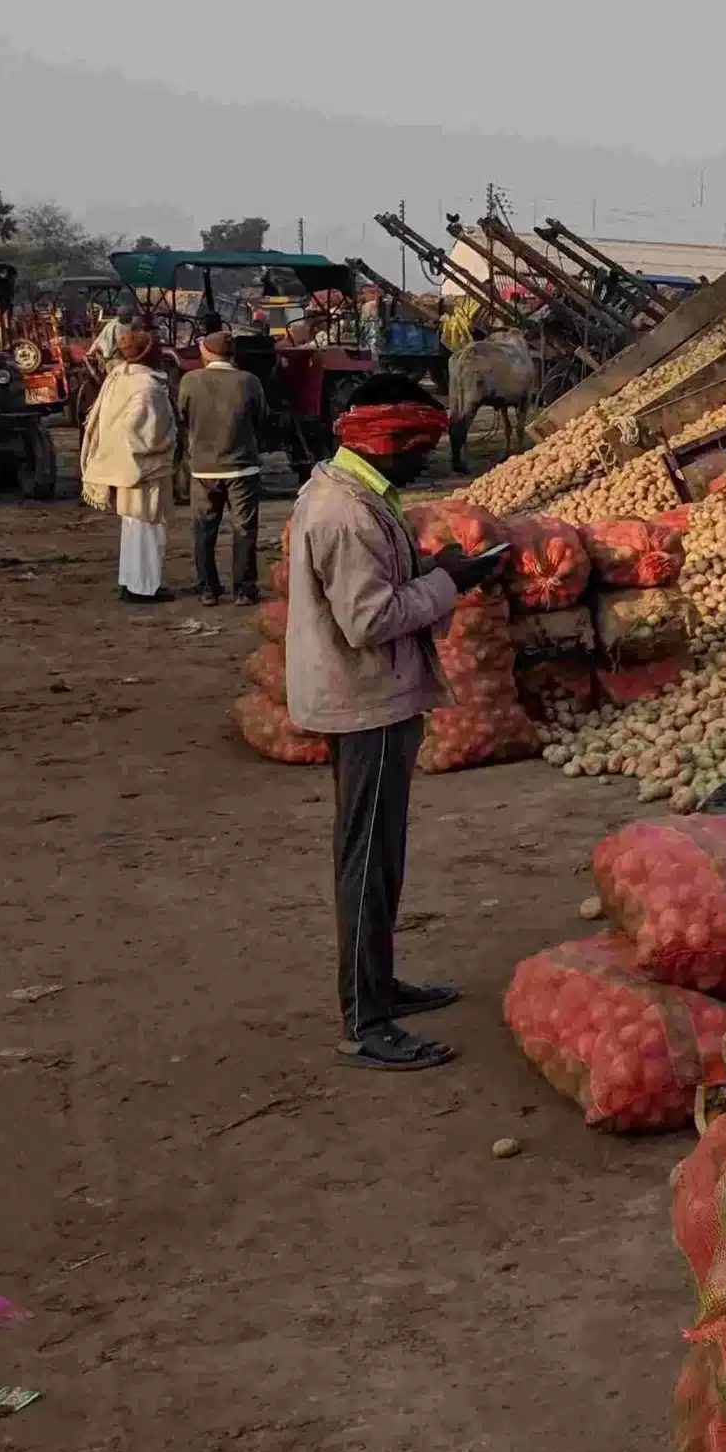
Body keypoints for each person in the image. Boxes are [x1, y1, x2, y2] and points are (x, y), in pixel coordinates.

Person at [284, 372, 506, 1071]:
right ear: (388, 442)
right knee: (367, 859)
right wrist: (451, 583)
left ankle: (381, 986)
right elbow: (370, 619)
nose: (424, 463)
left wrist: (436, 568)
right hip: (366, 703)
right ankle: (365, 1020)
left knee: (379, 857)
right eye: (417, 449)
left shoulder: (355, 496)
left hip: (375, 697)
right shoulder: (346, 515)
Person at [78, 326, 179, 603]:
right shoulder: (147, 388)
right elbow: (144, 433)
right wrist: (171, 439)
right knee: (148, 527)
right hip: (145, 468)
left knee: (133, 525)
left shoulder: (119, 378)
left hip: (126, 466)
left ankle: (130, 582)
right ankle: (144, 587)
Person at [176, 330, 267, 606]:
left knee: (204, 530)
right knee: (244, 530)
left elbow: (183, 416)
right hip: (243, 469)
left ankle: (208, 589)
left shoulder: (190, 381)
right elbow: (262, 419)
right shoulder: (249, 382)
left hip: (204, 469)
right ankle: (244, 590)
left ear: (205, 352)